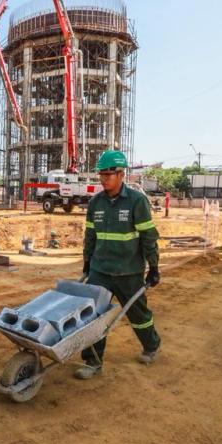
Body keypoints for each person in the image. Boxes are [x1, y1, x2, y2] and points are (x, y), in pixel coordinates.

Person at [76, 150, 163, 379]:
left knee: (138, 314)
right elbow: (90, 236)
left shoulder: (137, 201)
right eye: (101, 175)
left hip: (129, 272)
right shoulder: (96, 203)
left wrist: (153, 267)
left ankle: (151, 345)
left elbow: (148, 237)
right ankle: (93, 361)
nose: (104, 179)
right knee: (93, 317)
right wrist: (87, 262)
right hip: (100, 271)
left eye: (109, 174)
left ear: (121, 174)